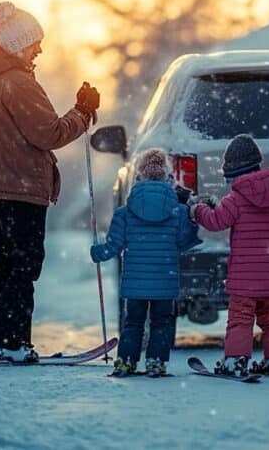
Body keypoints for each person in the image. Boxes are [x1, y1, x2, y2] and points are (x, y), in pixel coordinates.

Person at [0, 2, 99, 363]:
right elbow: (49, 133)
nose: (39, 49)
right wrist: (82, 113)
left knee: (2, 266)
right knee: (23, 267)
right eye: (34, 43)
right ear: (15, 45)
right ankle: (11, 341)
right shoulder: (18, 83)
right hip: (22, 190)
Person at [190, 133, 269, 377]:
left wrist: (198, 209)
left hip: (244, 278)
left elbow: (215, 221)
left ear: (234, 174)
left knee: (240, 318)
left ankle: (236, 361)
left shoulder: (236, 199)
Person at [90, 148, 201, 377]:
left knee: (133, 323)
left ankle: (126, 360)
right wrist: (189, 216)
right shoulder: (177, 210)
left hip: (135, 285)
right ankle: (156, 362)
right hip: (165, 283)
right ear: (167, 175)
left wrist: (97, 253)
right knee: (161, 323)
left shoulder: (124, 212)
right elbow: (184, 242)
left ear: (139, 175)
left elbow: (114, 246)